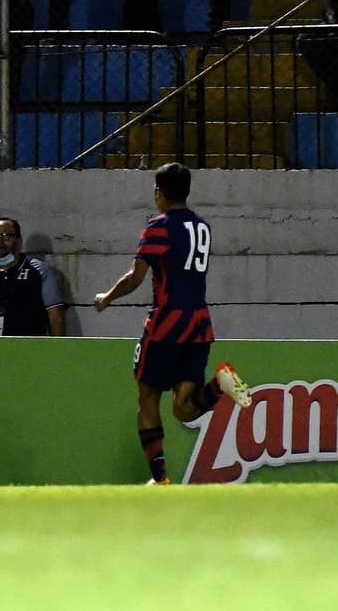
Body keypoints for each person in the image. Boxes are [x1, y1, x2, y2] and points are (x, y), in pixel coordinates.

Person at [92, 162, 252, 485]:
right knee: (184, 408)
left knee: (147, 398)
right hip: (199, 323)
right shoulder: (203, 227)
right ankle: (220, 384)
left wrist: (107, 297)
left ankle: (160, 479)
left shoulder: (158, 226)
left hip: (166, 323)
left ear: (159, 192)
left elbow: (136, 277)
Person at [0, 217, 66, 336]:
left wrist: (55, 351)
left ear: (19, 241)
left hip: (31, 349)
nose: (0, 240)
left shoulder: (39, 272)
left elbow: (56, 319)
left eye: (6, 235)